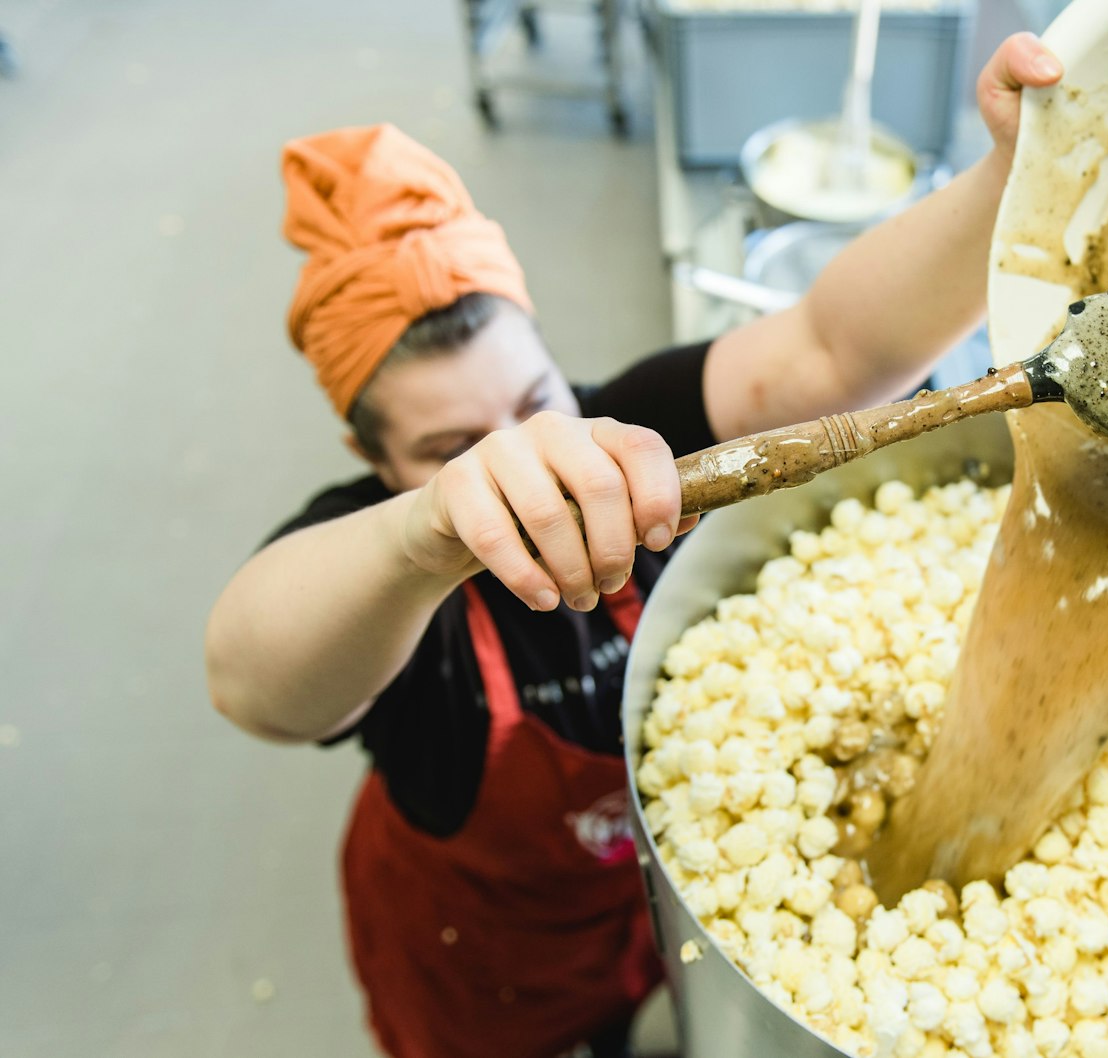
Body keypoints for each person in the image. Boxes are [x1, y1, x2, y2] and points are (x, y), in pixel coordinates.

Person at [204, 33, 1063, 1058]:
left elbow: (827, 349)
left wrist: (1020, 172)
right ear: (368, 453)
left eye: (532, 401)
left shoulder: (630, 430)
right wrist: (427, 529)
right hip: (479, 967)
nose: (523, 459)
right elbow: (254, 682)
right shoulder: (377, 571)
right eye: (447, 449)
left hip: (640, 903)